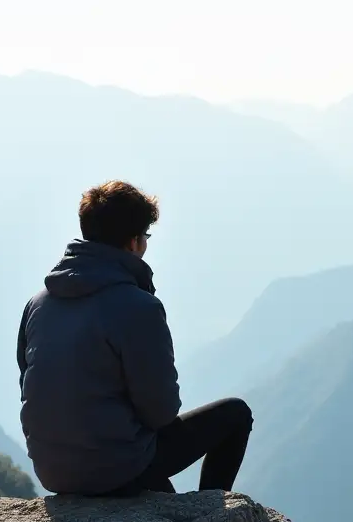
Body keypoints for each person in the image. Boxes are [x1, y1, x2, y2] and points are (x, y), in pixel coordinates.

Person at [16, 180, 252, 496]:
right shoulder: (138, 307)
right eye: (145, 236)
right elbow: (161, 411)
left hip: (53, 472)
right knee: (235, 415)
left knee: (157, 483)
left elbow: (31, 384)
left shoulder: (38, 303)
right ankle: (208, 515)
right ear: (133, 243)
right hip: (112, 469)